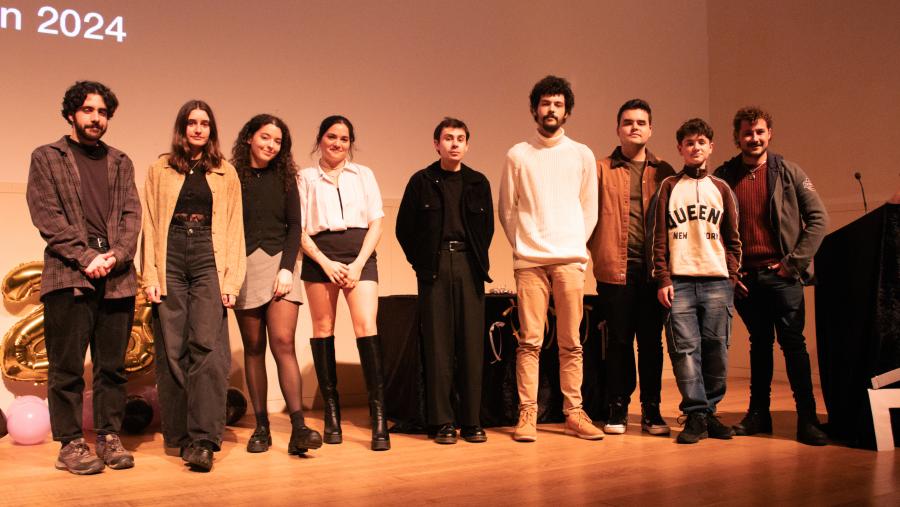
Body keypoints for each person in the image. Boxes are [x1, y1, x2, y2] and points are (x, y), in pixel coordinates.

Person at [26, 80, 141, 474]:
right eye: (89, 110)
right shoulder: (46, 157)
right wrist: (86, 256)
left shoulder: (121, 161)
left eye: (103, 112)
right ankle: (71, 444)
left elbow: (131, 216)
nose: (96, 118)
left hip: (117, 277)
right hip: (68, 274)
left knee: (112, 367)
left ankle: (108, 437)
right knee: (67, 367)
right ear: (71, 114)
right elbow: (47, 217)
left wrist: (117, 255)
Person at [713, 107, 829, 446]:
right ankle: (758, 415)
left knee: (794, 346)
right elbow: (712, 229)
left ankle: (807, 420)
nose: (754, 138)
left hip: (783, 277)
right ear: (738, 137)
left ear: (770, 134)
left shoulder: (789, 172)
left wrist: (792, 265)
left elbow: (818, 220)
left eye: (760, 132)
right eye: (748, 133)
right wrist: (730, 273)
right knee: (759, 346)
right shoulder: (724, 175)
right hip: (745, 280)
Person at [498, 75, 604, 442]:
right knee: (529, 340)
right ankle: (527, 413)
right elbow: (507, 210)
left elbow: (589, 208)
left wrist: (573, 245)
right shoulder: (518, 154)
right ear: (534, 109)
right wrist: (525, 245)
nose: (551, 110)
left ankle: (573, 412)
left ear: (567, 111)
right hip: (530, 263)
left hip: (569, 261)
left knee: (571, 341)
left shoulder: (582, 154)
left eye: (558, 104)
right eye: (545, 103)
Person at [142, 100, 246, 471]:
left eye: (204, 123)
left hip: (208, 255)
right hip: (169, 254)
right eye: (192, 122)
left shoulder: (225, 173)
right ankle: (178, 435)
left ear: (212, 130)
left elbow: (234, 228)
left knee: (208, 347)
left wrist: (231, 279)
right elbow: (151, 223)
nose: (198, 129)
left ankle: (203, 439)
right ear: (182, 128)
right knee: (172, 348)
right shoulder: (160, 169)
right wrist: (150, 276)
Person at [396, 117, 494, 445]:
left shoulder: (479, 182)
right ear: (436, 144)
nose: (454, 144)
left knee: (471, 345)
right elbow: (404, 230)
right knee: (438, 346)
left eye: (460, 138)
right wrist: (422, 264)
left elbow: (487, 230)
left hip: (469, 265)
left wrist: (476, 260)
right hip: (434, 268)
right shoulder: (421, 181)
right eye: (448, 138)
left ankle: (471, 421)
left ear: (467, 145)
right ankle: (442, 422)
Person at [231, 114, 323, 455]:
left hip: (280, 265)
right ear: (249, 138)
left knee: (283, 342)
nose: (271, 145)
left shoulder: (287, 177)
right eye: (265, 138)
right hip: (243, 267)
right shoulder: (231, 176)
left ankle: (299, 426)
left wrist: (286, 269)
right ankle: (261, 427)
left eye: (278, 141)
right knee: (253, 347)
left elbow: (295, 225)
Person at [299, 115, 390, 451]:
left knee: (366, 326)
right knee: (323, 329)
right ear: (320, 139)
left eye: (344, 138)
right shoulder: (305, 177)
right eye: (331, 136)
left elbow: (377, 222)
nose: (337, 143)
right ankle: (331, 415)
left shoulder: (363, 174)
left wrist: (357, 264)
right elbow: (300, 228)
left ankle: (379, 418)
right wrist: (325, 263)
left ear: (351, 142)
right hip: (320, 255)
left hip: (359, 255)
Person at [588, 99, 675, 435]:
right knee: (619, 342)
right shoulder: (600, 169)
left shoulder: (665, 171)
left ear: (650, 129)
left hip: (653, 272)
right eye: (628, 122)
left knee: (652, 343)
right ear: (618, 129)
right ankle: (617, 406)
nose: (634, 127)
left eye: (641, 122)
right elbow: (585, 217)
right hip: (614, 271)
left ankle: (652, 410)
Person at [652, 118, 741, 444]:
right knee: (685, 350)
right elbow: (657, 238)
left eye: (701, 142)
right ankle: (695, 414)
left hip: (717, 281)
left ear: (710, 147)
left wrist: (731, 276)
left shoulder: (722, 189)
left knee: (717, 348)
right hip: (680, 281)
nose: (695, 147)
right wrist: (662, 278)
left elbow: (734, 239)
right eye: (689, 143)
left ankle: (709, 412)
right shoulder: (669, 187)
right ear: (680, 148)